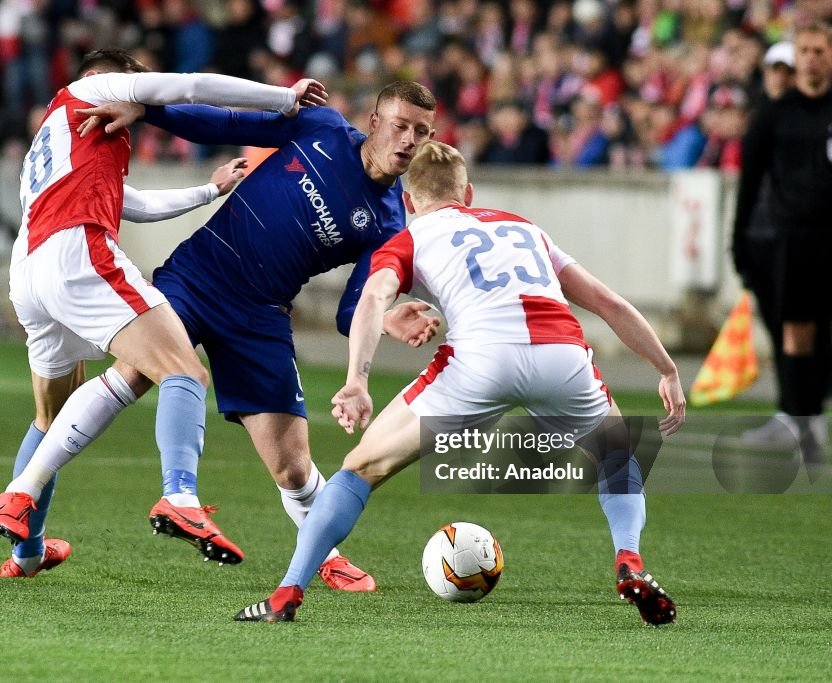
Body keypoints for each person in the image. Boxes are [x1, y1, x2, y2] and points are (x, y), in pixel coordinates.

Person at [234, 140, 685, 625]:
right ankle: (630, 560)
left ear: (409, 202)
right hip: (563, 356)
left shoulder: (410, 237)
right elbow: (607, 302)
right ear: (468, 193)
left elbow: (371, 300)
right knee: (617, 458)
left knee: (359, 469)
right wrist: (667, 369)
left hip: (480, 362)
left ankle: (286, 595)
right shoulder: (525, 227)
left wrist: (356, 380)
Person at [59, 80, 443, 591]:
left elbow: (352, 311)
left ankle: (324, 552)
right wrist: (148, 111)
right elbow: (229, 123)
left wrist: (387, 318)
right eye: (400, 126)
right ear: (374, 122)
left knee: (291, 465)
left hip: (260, 315)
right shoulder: (323, 128)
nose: (409, 140)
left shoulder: (389, 222)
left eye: (422, 132)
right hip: (200, 273)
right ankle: (29, 487)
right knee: (133, 375)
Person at [0, 47, 328, 576]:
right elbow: (191, 87)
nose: (141, 93)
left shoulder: (61, 130)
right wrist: (282, 98)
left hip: (28, 268)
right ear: (109, 78)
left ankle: (26, 549)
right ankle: (180, 497)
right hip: (76, 250)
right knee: (184, 370)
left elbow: (134, 204)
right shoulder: (94, 90)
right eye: (136, 83)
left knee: (50, 417)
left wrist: (210, 188)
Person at [731, 25, 832, 464]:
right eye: (804, 51)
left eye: (819, 50)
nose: (810, 58)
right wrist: (738, 239)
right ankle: (803, 420)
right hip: (794, 238)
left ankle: (811, 413)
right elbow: (749, 183)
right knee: (795, 331)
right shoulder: (775, 114)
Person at [732, 42, 808, 445]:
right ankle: (791, 413)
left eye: (787, 69)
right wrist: (739, 239)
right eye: (774, 69)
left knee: (797, 333)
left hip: (794, 241)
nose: (779, 76)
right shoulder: (762, 119)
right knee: (781, 333)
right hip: (761, 238)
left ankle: (798, 414)